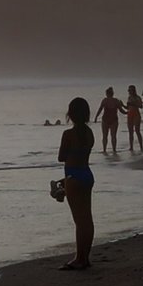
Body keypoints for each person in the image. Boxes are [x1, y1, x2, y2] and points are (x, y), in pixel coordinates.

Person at [58, 97, 96, 269]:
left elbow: (61, 157)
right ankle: (84, 257)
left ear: (71, 114)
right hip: (87, 174)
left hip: (73, 177)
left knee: (79, 222)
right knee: (87, 219)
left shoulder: (68, 134)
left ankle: (79, 258)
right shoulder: (89, 133)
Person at [95, 86, 123, 152]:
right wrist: (127, 112)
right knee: (113, 136)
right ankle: (114, 150)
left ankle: (104, 150)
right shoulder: (116, 101)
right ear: (112, 93)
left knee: (105, 136)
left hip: (105, 120)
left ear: (107, 93)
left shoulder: (105, 100)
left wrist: (96, 117)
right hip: (114, 120)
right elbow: (121, 110)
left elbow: (100, 109)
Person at [125, 85, 143, 151]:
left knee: (137, 131)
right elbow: (128, 107)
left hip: (136, 114)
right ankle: (131, 147)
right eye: (128, 90)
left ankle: (141, 146)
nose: (129, 91)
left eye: (130, 90)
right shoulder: (129, 97)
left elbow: (141, 106)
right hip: (130, 114)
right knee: (130, 132)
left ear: (133, 90)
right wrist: (122, 105)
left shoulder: (137, 97)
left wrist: (133, 103)